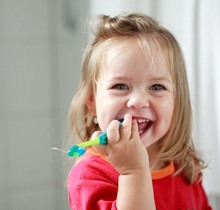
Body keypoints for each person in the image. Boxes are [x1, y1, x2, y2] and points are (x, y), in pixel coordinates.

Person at [67, 12, 212, 210]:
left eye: (157, 87)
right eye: (120, 86)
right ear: (92, 101)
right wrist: (133, 172)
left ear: (176, 102)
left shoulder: (184, 164)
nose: (138, 101)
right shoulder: (90, 175)